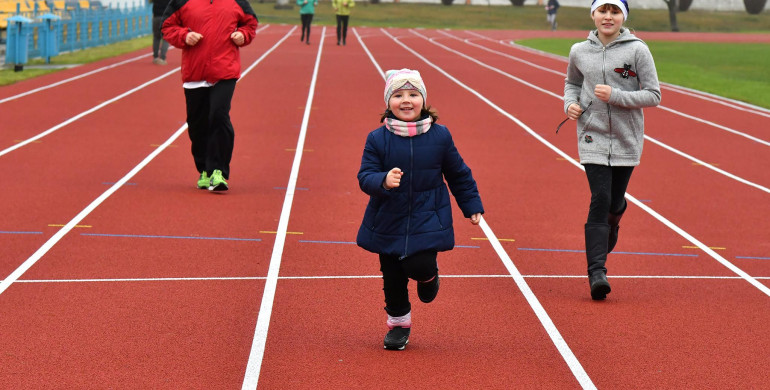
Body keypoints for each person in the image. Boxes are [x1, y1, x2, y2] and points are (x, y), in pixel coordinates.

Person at [356, 69, 484, 350]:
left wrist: (471, 204)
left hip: (429, 214)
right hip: (388, 216)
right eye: (398, 95)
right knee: (392, 277)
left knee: (418, 264)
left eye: (413, 94)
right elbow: (365, 176)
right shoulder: (377, 139)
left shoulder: (440, 136)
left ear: (423, 101)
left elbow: (458, 173)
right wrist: (383, 180)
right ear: (388, 102)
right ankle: (399, 325)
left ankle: (429, 277)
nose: (406, 100)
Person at [563, 0, 661, 300]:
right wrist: (570, 105)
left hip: (626, 138)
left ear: (623, 17)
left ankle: (614, 221)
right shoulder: (579, 50)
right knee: (600, 197)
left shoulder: (637, 50)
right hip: (591, 136)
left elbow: (654, 94)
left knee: (614, 203)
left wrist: (616, 95)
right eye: (602, 10)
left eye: (614, 11)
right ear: (593, 14)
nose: (608, 16)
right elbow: (571, 83)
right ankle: (597, 272)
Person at [162, 0, 258, 191]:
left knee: (219, 116)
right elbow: (167, 25)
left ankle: (218, 172)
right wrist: (184, 36)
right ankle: (204, 170)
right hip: (194, 72)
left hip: (225, 70)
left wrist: (243, 34)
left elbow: (251, 23)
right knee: (197, 124)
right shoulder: (182, 1)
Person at [151, 0, 170, 65]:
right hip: (165, 17)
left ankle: (155, 57)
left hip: (156, 17)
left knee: (156, 37)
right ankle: (162, 58)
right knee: (166, 38)